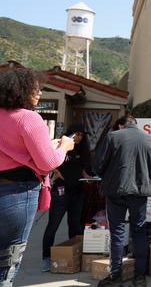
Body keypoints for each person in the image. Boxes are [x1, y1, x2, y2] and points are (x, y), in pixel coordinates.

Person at [0, 68, 74, 286]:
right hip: (18, 193)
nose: (40, 93)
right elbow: (48, 163)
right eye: (36, 88)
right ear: (21, 90)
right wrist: (64, 147)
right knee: (8, 260)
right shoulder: (28, 118)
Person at [95, 115, 151, 287]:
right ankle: (139, 277)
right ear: (136, 125)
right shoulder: (150, 140)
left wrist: (110, 175)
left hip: (116, 191)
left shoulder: (113, 137)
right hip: (139, 193)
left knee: (117, 233)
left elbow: (99, 165)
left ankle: (115, 275)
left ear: (121, 125)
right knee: (139, 232)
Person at [41, 122, 93, 271]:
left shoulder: (83, 150)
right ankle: (46, 258)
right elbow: (46, 160)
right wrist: (54, 171)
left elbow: (82, 168)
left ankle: (74, 256)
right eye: (76, 134)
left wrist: (86, 176)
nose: (78, 137)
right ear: (70, 133)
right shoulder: (60, 145)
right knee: (53, 226)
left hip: (78, 191)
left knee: (75, 225)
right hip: (61, 192)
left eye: (81, 135)